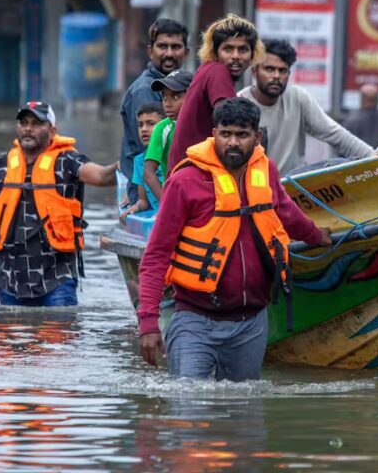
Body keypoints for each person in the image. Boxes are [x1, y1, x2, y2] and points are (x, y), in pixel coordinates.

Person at [136, 98, 332, 380]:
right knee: (188, 412)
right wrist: (149, 324)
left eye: (242, 135)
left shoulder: (266, 172)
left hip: (250, 323)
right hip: (195, 320)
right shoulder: (186, 180)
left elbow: (287, 213)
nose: (233, 142)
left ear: (257, 137)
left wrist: (317, 236)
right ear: (213, 133)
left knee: (243, 414)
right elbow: (156, 254)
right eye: (225, 133)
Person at [0, 102, 118, 306]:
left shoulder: (68, 161)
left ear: (52, 130)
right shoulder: (2, 165)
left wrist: (123, 166)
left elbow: (101, 176)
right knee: (9, 337)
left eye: (36, 123)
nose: (28, 128)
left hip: (57, 278)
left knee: (58, 333)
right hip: (9, 278)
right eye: (23, 123)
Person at [238, 39, 373, 174]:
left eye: (282, 70)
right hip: (255, 189)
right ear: (254, 72)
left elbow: (336, 135)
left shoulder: (297, 97)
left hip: (293, 188)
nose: (276, 76)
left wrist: (376, 158)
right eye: (269, 69)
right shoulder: (240, 103)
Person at [168, 14, 264, 172]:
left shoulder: (207, 70)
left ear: (252, 54)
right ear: (216, 52)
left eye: (243, 50)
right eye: (228, 49)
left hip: (187, 172)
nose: (235, 56)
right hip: (196, 176)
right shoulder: (218, 72)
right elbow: (231, 122)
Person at [119, 19, 189, 204]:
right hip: (151, 189)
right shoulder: (144, 90)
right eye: (162, 47)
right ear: (150, 51)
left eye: (176, 47)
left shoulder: (187, 86)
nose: (169, 53)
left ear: (186, 52)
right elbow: (149, 151)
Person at [143, 69, 194, 203]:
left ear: (193, 95)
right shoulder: (162, 128)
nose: (168, 103)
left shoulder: (205, 123)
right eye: (165, 97)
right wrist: (166, 201)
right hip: (175, 195)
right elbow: (148, 173)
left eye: (175, 97)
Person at [121, 101, 165, 223]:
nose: (144, 129)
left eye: (151, 124)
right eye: (140, 125)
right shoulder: (139, 161)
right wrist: (137, 206)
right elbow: (143, 200)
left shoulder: (175, 155)